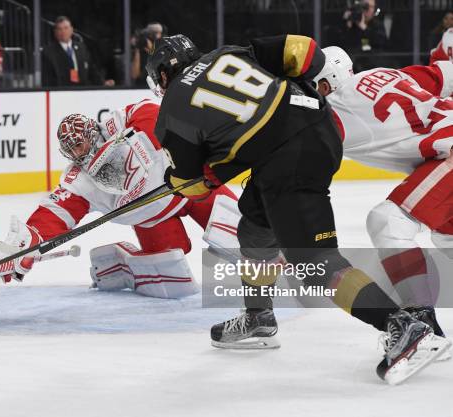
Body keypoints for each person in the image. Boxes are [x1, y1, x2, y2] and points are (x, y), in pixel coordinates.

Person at [146, 34, 450, 383]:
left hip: (286, 159)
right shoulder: (229, 52)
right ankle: (258, 317)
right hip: (318, 127)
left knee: (314, 261)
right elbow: (303, 50)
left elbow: (194, 187)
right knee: (255, 228)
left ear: (164, 74)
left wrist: (191, 177)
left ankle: (403, 327)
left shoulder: (171, 111)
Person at [0, 99, 241, 299]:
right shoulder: (79, 180)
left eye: (79, 144)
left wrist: (147, 143)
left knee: (234, 231)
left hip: (190, 190)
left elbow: (153, 112)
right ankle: (121, 264)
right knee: (174, 283)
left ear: (93, 131)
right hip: (151, 219)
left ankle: (273, 274)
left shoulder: (119, 123)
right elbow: (55, 213)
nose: (77, 152)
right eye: (71, 150)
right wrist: (31, 241)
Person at [313, 46, 453, 358]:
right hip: (444, 152)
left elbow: (298, 145)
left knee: (387, 221)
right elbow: (445, 73)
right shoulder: (386, 75)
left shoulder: (334, 112)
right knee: (445, 236)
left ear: (325, 84)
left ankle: (423, 325)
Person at [42, 16, 114, 87]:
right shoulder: (48, 51)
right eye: (59, 29)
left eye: (66, 28)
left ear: (71, 30)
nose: (63, 32)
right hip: (62, 93)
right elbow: (48, 78)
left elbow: (91, 70)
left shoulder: (81, 47)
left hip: (81, 92)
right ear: (55, 32)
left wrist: (103, 83)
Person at [341, 0, 386, 70]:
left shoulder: (377, 24)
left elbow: (381, 42)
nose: (369, 10)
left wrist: (364, 27)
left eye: (371, 7)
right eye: (366, 6)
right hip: (352, 65)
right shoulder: (351, 24)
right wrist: (347, 25)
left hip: (373, 65)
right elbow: (342, 43)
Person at [130, 22, 165, 87]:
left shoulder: (163, 50)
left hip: (157, 87)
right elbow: (134, 75)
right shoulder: (140, 53)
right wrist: (137, 50)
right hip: (142, 87)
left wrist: (152, 51)